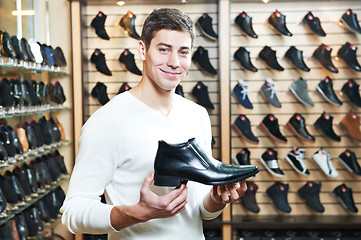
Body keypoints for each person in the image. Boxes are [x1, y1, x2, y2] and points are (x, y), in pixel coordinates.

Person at [61, 8, 247, 240]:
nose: (174, 62)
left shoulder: (197, 115)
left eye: (183, 52)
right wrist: (137, 213)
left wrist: (216, 200)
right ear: (142, 50)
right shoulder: (106, 122)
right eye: (163, 50)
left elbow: (200, 210)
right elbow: (73, 212)